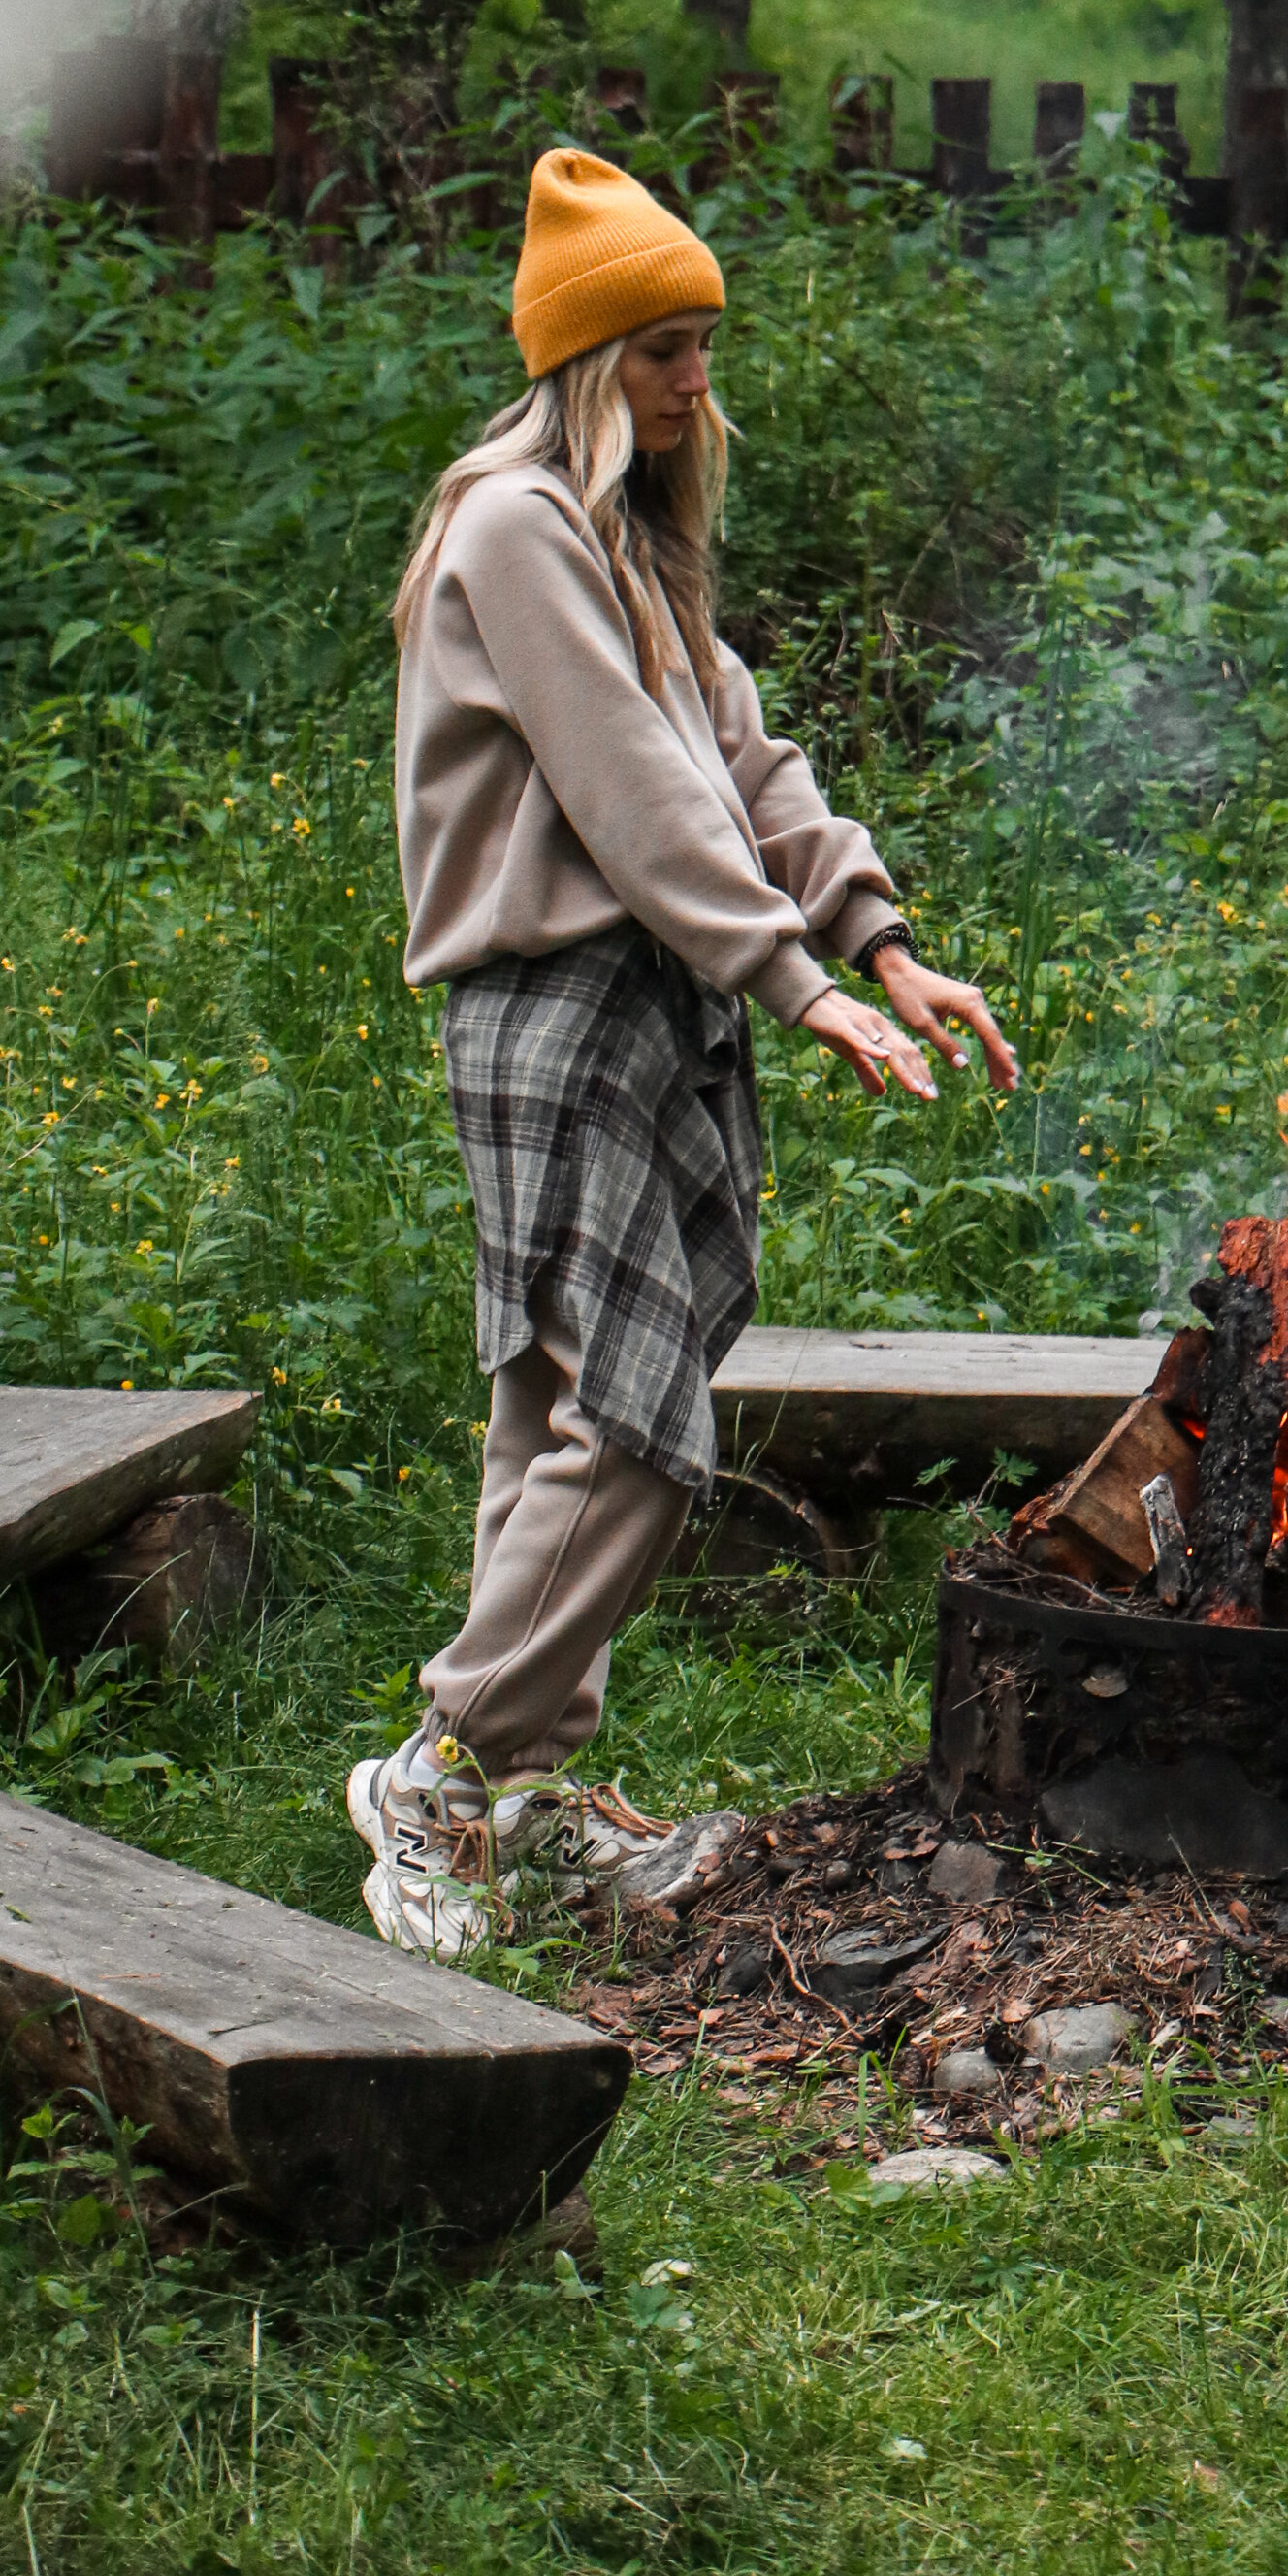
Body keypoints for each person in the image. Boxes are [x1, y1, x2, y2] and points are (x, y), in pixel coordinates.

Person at [350, 147, 1017, 1957]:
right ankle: (438, 1772)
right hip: (553, 1012)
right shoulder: (514, 528)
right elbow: (633, 790)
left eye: (705, 344)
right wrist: (793, 981)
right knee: (642, 1430)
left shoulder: (631, 547)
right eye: (660, 350)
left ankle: (524, 1794)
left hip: (650, 1010)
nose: (692, 381)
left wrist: (881, 940)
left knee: (557, 1419)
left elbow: (741, 759)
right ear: (584, 360)